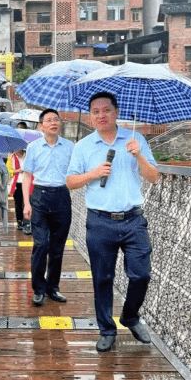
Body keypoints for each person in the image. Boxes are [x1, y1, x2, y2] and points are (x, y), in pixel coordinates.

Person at [65, 91, 159, 352]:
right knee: (102, 278)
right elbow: (70, 182)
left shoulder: (134, 139)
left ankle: (130, 316)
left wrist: (139, 155)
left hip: (133, 221)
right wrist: (93, 173)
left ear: (116, 112)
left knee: (141, 274)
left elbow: (154, 177)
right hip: (100, 222)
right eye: (95, 111)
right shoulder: (83, 146)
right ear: (91, 117)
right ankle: (106, 329)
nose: (101, 115)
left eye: (106, 110)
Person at [22, 108, 74, 307]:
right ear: (41, 126)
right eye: (49, 120)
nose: (54, 123)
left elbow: (78, 170)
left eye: (56, 119)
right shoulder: (34, 147)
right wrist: (27, 203)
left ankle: (53, 287)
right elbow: (27, 176)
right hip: (40, 197)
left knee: (57, 248)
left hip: (62, 196)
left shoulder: (70, 147)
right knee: (41, 244)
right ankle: (38, 288)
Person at [7, 148, 32, 234]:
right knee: (18, 203)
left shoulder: (28, 156)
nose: (16, 151)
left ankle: (27, 223)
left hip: (28, 183)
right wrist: (19, 170)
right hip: (17, 183)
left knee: (27, 203)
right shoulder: (12, 157)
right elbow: (8, 171)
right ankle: (19, 222)